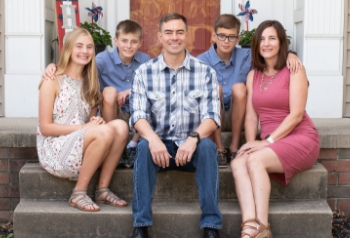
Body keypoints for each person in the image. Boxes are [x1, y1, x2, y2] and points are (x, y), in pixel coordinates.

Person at [129, 13, 222, 238]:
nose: (174, 37)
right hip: (157, 149)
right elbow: (138, 115)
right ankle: (140, 225)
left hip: (190, 148)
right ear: (160, 37)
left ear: (187, 36)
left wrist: (192, 139)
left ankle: (211, 225)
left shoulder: (205, 72)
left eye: (180, 32)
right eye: (169, 32)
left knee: (208, 147)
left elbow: (212, 116)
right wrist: (153, 140)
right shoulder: (144, 72)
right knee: (142, 147)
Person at [230, 20, 320, 237]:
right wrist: (251, 143)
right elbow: (251, 117)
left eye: (272, 38)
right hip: (270, 141)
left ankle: (263, 226)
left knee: (255, 160)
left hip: (299, 137)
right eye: (261, 39)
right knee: (238, 162)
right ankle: (250, 225)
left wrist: (266, 142)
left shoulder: (294, 69)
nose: (266, 43)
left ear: (281, 43)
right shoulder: (253, 75)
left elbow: (296, 115)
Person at [37, 28, 129, 212]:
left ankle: (102, 189)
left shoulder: (91, 83)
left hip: (80, 146)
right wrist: (86, 127)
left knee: (120, 126)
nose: (85, 51)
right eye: (79, 46)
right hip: (56, 149)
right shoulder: (52, 80)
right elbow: (45, 128)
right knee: (103, 130)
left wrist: (95, 124)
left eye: (89, 47)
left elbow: (90, 122)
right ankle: (79, 192)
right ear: (69, 48)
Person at [198, 14, 302, 168]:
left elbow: (270, 53)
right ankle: (219, 147)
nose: (226, 41)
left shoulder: (247, 56)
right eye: (222, 36)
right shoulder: (201, 61)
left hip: (239, 115)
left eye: (231, 37)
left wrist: (291, 54)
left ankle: (234, 146)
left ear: (238, 39)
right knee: (215, 88)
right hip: (213, 118)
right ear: (214, 36)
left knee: (239, 88)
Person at [43, 20, 150, 168]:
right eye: (124, 41)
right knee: (110, 92)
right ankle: (113, 146)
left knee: (153, 100)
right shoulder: (103, 59)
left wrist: (130, 91)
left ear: (139, 43)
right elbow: (82, 69)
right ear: (115, 41)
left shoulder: (145, 60)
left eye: (133, 42)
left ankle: (132, 145)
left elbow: (154, 84)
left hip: (138, 113)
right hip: (113, 112)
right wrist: (54, 66)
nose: (128, 46)